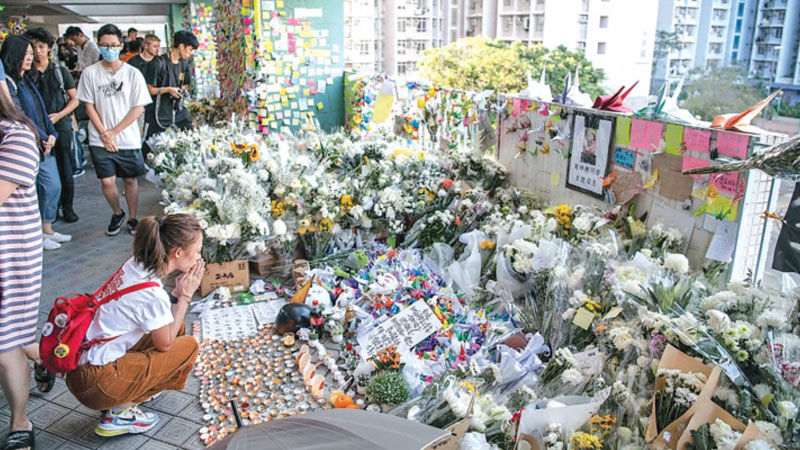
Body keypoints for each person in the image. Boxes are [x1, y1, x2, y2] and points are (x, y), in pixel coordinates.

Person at [65, 214, 203, 438]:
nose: (198, 257)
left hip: (82, 365)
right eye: (197, 251)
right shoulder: (153, 294)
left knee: (175, 329)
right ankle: (119, 412)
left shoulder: (136, 264)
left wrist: (177, 293)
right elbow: (165, 344)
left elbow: (150, 311)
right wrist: (186, 296)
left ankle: (129, 391)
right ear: (178, 252)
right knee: (188, 346)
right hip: (97, 382)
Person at [0, 56, 51, 450]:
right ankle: (47, 357)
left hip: (11, 255)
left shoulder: (16, 136)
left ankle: (21, 419)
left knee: (6, 341)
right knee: (11, 337)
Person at [76, 24, 151, 236]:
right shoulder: (90, 73)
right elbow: (89, 106)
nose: (109, 49)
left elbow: (138, 107)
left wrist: (115, 132)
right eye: (104, 45)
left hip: (127, 138)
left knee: (130, 179)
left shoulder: (132, 74)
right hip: (99, 138)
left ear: (120, 46)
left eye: (113, 45)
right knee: (107, 181)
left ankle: (133, 217)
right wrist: (104, 134)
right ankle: (117, 212)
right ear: (99, 45)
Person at [1, 35, 72, 251]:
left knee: (52, 186)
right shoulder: (10, 85)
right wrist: (41, 135)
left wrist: (51, 133)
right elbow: (20, 115)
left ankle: (46, 228)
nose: (30, 57)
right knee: (38, 189)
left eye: (31, 53)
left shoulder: (27, 80)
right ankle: (37, 234)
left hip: (42, 141)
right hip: (28, 144)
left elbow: (41, 110)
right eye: (26, 54)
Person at [25, 27, 80, 223]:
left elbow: (75, 99)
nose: (38, 51)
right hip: (37, 129)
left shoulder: (59, 71)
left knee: (65, 168)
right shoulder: (27, 74)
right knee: (44, 170)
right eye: (33, 47)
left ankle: (68, 206)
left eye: (41, 46)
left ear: (49, 47)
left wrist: (59, 116)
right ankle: (51, 209)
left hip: (60, 126)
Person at [142, 30, 197, 160]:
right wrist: (168, 90)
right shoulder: (158, 63)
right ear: (181, 46)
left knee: (190, 135)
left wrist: (180, 91)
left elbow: (184, 84)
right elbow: (149, 89)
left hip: (178, 110)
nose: (191, 53)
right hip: (159, 113)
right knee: (153, 145)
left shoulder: (184, 63)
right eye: (190, 49)